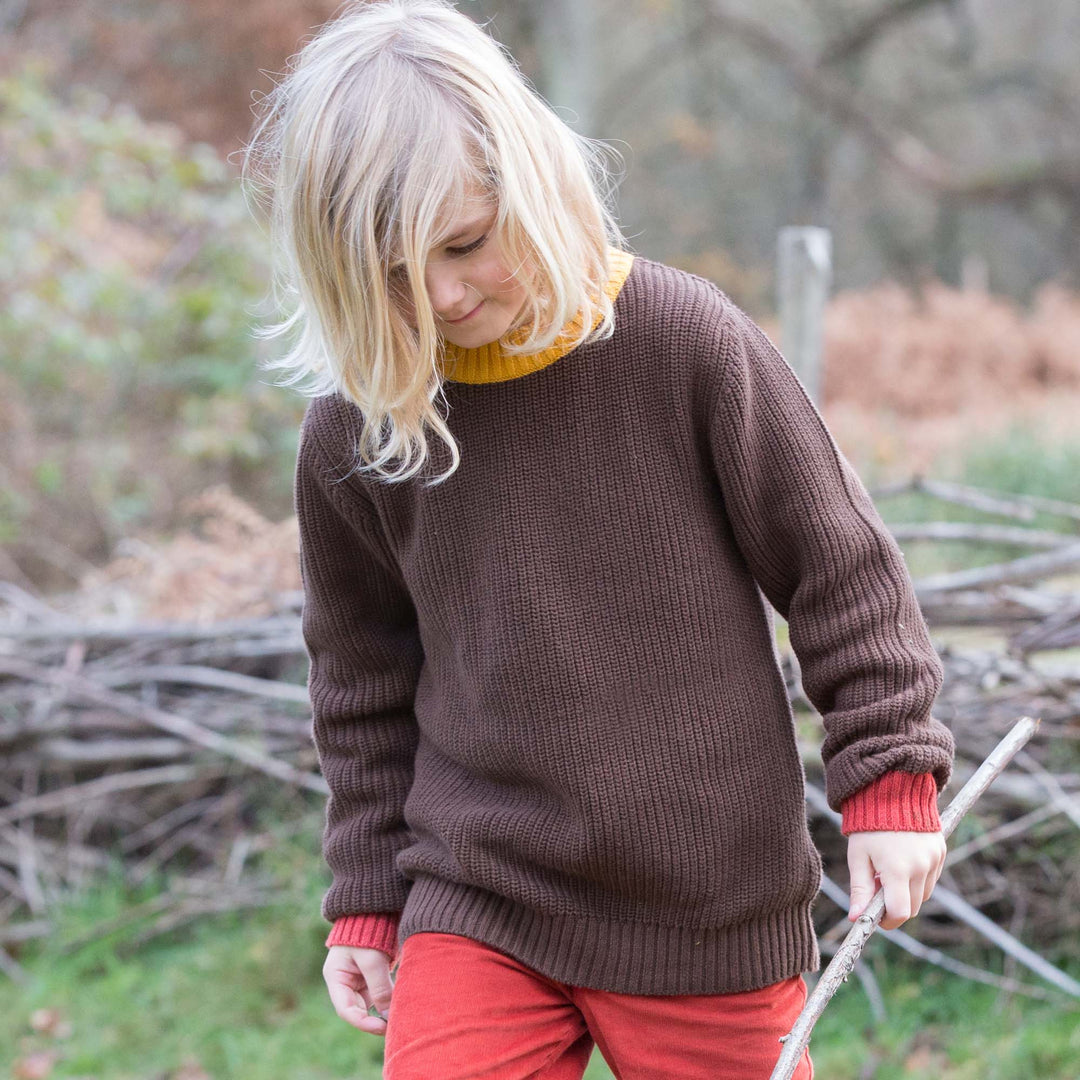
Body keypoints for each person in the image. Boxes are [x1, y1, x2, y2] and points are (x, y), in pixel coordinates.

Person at [241, 1, 955, 1076]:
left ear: (528, 180)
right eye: (391, 272)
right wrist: (368, 900)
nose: (440, 292)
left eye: (466, 243)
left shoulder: (684, 345)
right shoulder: (359, 427)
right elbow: (360, 684)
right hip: (481, 894)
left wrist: (889, 780)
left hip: (707, 906)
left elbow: (839, 574)